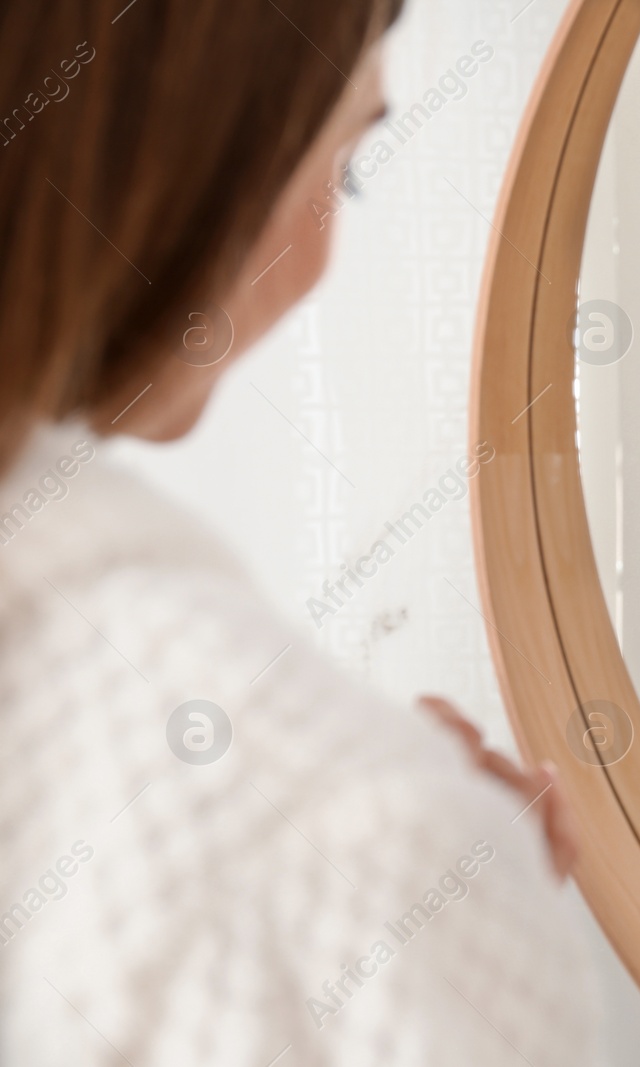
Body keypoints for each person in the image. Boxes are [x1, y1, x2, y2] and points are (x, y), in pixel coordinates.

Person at [0, 4, 598, 1064]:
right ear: (195, 140)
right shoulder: (324, 830)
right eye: (346, 166)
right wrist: (442, 894)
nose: (324, 256)